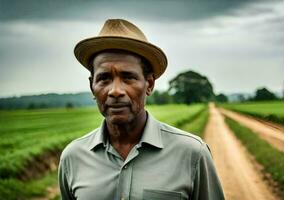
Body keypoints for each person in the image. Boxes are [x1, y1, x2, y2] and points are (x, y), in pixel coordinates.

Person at [58, 19, 224, 200]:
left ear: (149, 84)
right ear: (92, 86)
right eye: (104, 78)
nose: (115, 91)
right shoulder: (73, 158)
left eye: (128, 77)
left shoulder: (192, 154)